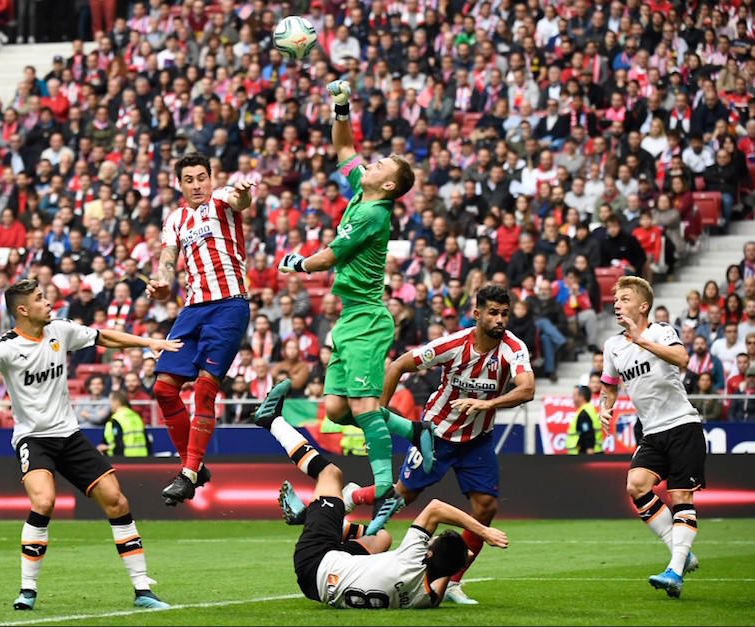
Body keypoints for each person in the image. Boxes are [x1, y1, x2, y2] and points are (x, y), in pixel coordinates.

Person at [0, 278, 181, 611]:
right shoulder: (5, 346)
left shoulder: (59, 330)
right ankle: (27, 590)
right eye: (39, 298)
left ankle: (142, 590)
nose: (48, 302)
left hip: (69, 436)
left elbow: (103, 336)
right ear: (22, 310)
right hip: (34, 439)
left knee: (117, 501)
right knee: (44, 501)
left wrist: (148, 341)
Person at [277, 79, 434, 529]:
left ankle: (383, 485)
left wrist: (297, 264)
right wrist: (341, 106)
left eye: (380, 162)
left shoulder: (370, 213)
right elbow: (344, 147)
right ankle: (414, 431)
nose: (371, 161)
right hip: (349, 320)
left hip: (367, 318)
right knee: (338, 410)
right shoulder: (361, 192)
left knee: (364, 407)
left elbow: (329, 256)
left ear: (387, 183)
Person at [341, 284, 534, 604]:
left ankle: (453, 581)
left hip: (477, 441)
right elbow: (398, 365)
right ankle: (363, 539)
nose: (500, 320)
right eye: (493, 313)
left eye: (504, 313)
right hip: (437, 435)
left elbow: (527, 389)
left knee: (487, 507)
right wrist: (379, 419)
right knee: (404, 494)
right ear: (476, 314)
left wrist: (488, 405)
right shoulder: (453, 344)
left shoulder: (513, 348)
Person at [251, 378, 509, 608]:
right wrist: (460, 557)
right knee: (381, 537)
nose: (431, 539)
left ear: (428, 553)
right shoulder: (427, 597)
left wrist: (483, 532)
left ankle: (271, 419)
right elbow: (444, 569)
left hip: (315, 560)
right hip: (319, 589)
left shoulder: (412, 557)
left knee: (330, 475)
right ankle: (311, 518)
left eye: (433, 540)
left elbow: (436, 508)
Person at [145, 153, 254, 506]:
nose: (197, 184)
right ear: (180, 184)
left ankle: (188, 473)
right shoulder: (175, 219)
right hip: (192, 310)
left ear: (211, 178)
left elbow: (241, 199)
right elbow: (166, 261)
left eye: (201, 177)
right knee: (163, 388)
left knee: (205, 389)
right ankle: (196, 465)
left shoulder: (222, 200)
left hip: (228, 305)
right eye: (189, 179)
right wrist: (161, 283)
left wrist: (243, 192)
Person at [599, 276, 703, 599]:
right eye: (616, 299)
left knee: (681, 497)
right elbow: (609, 384)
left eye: (625, 298)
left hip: (682, 425)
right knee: (636, 485)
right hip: (652, 431)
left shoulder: (661, 331)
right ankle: (680, 554)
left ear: (643, 306)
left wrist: (641, 340)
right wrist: (606, 407)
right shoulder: (612, 346)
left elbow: (683, 360)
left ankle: (674, 570)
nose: (617, 303)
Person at [98, 391, 148, 457]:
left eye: (110, 401)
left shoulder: (117, 418)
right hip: (143, 458)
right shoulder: (136, 416)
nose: (110, 405)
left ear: (116, 402)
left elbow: (119, 443)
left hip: (125, 460)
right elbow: (146, 440)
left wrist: (107, 448)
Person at [566, 385, 603, 454]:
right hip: (593, 452)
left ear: (581, 397)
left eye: (574, 395)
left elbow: (587, 433)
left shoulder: (584, 413)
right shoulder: (588, 409)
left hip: (587, 454)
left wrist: (589, 450)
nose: (572, 398)